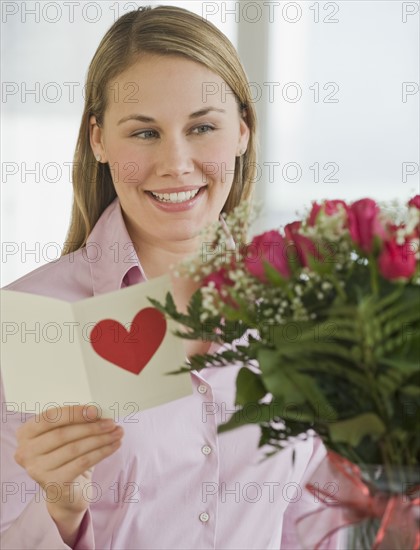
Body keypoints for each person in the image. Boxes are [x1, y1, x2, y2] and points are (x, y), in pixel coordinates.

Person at [1, 6, 336, 549]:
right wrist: (59, 510)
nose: (176, 163)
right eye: (144, 132)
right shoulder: (36, 318)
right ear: (99, 141)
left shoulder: (299, 305)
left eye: (202, 126)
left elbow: (314, 521)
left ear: (244, 130)